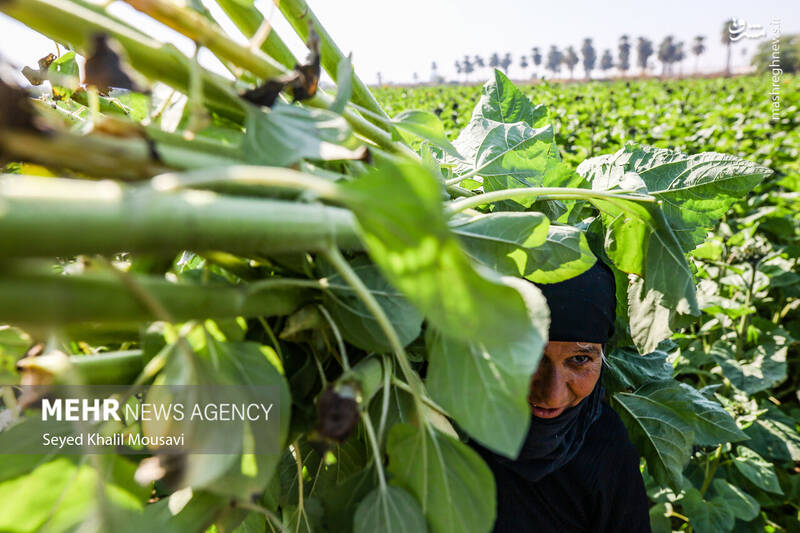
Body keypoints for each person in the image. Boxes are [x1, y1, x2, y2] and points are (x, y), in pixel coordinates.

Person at [469, 260, 652, 533]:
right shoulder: (443, 421)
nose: (552, 396)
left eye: (579, 359)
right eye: (530, 357)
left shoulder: (607, 448)